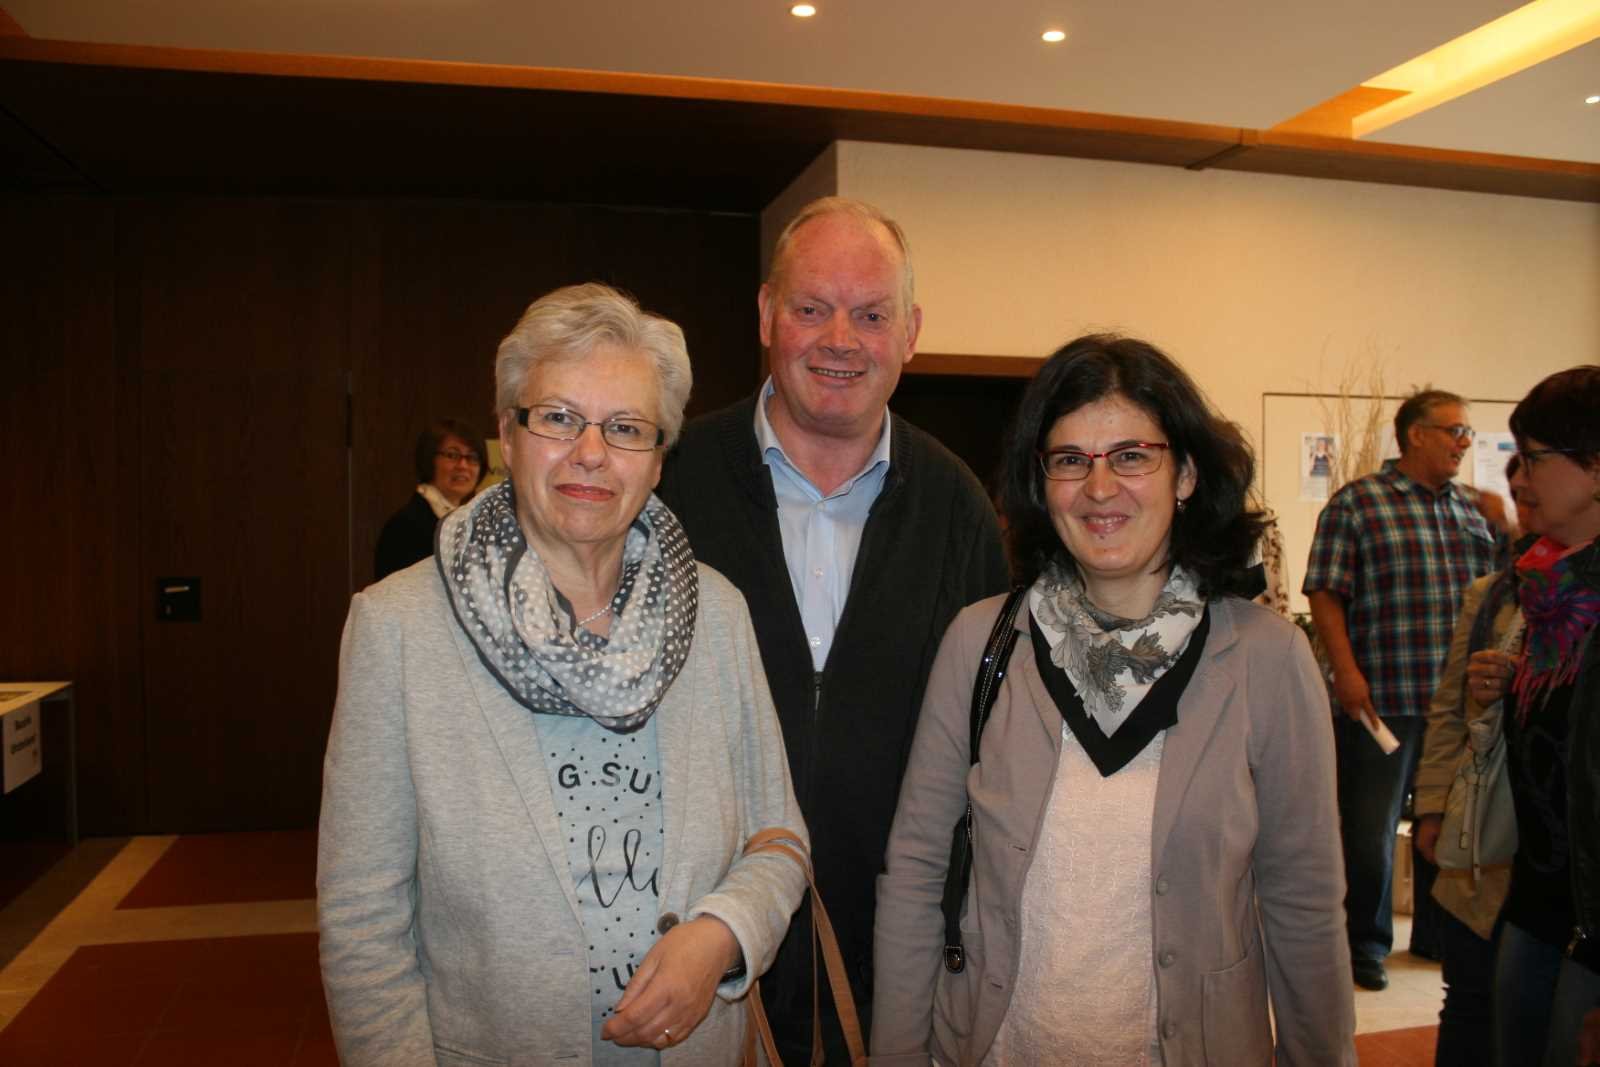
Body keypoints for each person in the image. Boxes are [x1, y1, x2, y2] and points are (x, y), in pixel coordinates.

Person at [318, 283, 809, 1066]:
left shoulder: (716, 614)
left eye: (626, 428)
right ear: (506, 435)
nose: (591, 452)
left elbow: (779, 837)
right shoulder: (398, 627)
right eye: (558, 417)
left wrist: (724, 934)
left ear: (658, 460)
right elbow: (362, 920)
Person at [872, 334, 1355, 1066]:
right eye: (1070, 460)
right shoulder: (981, 642)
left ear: (1185, 473)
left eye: (1131, 456)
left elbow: (1304, 902)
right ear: (1042, 483)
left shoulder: (1267, 660)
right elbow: (915, 869)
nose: (1100, 489)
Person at [656, 196, 1009, 1059]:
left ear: (911, 332)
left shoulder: (957, 508)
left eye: (872, 314)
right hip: (697, 953)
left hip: (890, 962)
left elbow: (991, 744)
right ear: (766, 315)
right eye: (812, 308)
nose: (840, 339)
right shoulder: (671, 485)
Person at [1303, 387, 1501, 989]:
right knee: (1370, 830)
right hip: (1382, 697)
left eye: (1467, 433)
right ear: (1416, 433)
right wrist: (1345, 672)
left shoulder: (1474, 510)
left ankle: (1439, 937)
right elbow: (1325, 592)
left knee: (1452, 823)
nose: (1464, 443)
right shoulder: (1359, 502)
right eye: (1455, 431)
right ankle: (1365, 944)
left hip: (1460, 708)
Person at [1462, 366, 1600, 1067]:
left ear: (1596, 466)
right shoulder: (1541, 592)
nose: (1518, 475)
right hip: (1536, 899)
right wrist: (1495, 697)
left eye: (1536, 456)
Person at [1414, 454, 1537, 1067]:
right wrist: (1433, 805)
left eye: (1535, 489)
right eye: (1519, 495)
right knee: (1468, 995)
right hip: (1480, 829)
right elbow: (1449, 708)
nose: (1526, 504)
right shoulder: (1490, 596)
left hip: (1550, 842)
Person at [373, 418, 488, 581]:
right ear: (429, 459)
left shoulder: (470, 522)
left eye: (472, 457)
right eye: (452, 455)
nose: (463, 465)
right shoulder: (405, 526)